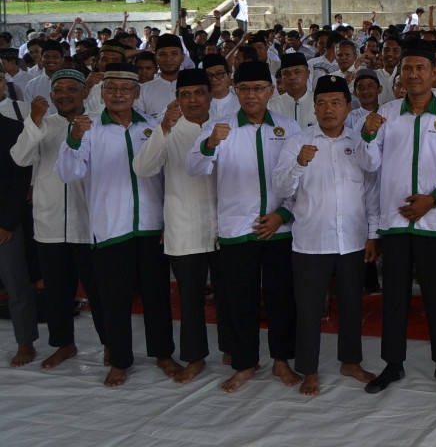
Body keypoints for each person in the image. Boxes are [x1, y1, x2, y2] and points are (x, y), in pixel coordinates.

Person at [56, 63, 181, 387]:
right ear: (101, 93)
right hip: (111, 228)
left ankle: (163, 354)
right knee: (114, 300)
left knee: (157, 296)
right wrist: (73, 138)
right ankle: (120, 360)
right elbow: (68, 174)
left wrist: (169, 220)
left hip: (151, 226)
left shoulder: (153, 127)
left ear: (137, 93)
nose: (118, 95)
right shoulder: (88, 128)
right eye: (111, 89)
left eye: (125, 89)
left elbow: (169, 177)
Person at [185, 61, 303, 394]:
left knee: (281, 298)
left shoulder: (288, 127)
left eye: (258, 88)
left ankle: (282, 360)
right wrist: (210, 144)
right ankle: (244, 364)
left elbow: (301, 178)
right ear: (236, 91)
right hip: (237, 229)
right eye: (245, 89)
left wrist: (283, 214)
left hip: (278, 228)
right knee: (238, 300)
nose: (251, 95)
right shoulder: (220, 127)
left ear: (271, 91)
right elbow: (193, 167)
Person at [365, 43, 436, 396]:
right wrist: (366, 134)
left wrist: (434, 199)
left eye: (420, 68)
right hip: (394, 221)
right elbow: (370, 164)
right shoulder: (386, 113)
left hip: (434, 221)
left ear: (435, 73)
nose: (412, 75)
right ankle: (393, 364)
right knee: (393, 296)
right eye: (406, 69)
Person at [272, 75, 382, 396]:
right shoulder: (297, 142)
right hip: (310, 242)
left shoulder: (359, 143)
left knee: (351, 304)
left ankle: (350, 361)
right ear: (314, 108)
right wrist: (298, 164)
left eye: (335, 102)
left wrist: (372, 235)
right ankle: (309, 370)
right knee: (308, 308)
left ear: (349, 107)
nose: (328, 109)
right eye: (321, 103)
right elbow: (281, 189)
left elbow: (371, 192)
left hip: (351, 240)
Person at [131, 68, 226, 385]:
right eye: (185, 94)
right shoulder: (168, 130)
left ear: (210, 96)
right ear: (177, 99)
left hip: (225, 225)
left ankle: (231, 348)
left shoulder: (223, 127)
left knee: (229, 292)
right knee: (190, 298)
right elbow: (143, 168)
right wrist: (163, 127)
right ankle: (195, 357)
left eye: (199, 92)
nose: (193, 99)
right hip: (184, 225)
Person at [12, 69, 107, 370]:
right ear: (50, 96)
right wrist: (34, 121)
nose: (64, 95)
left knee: (99, 290)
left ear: (83, 93)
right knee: (56, 292)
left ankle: (110, 344)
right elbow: (21, 158)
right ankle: (64, 344)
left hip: (89, 223)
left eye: (71, 89)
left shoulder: (97, 125)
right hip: (50, 224)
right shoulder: (43, 125)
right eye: (58, 90)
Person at [0, 75, 36, 368]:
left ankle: (25, 341)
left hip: (5, 223)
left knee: (16, 285)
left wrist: (8, 223)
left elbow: (19, 180)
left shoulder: (13, 129)